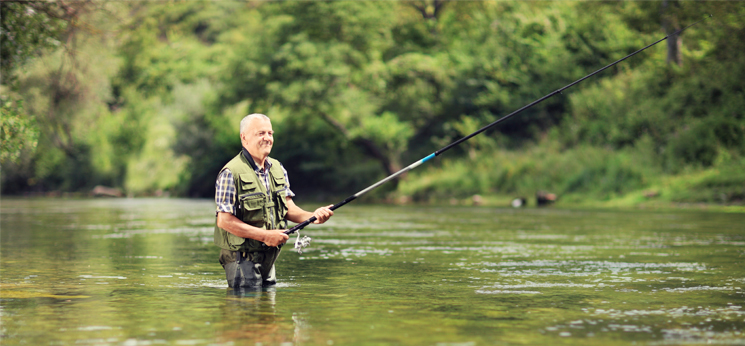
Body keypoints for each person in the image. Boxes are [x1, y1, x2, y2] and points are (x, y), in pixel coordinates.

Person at [214, 113, 333, 288]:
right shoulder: (230, 172)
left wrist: (313, 216)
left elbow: (288, 208)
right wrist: (265, 235)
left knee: (267, 312)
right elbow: (224, 221)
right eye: (261, 133)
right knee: (246, 312)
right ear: (244, 137)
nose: (267, 138)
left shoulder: (278, 168)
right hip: (241, 258)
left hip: (269, 257)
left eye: (270, 133)